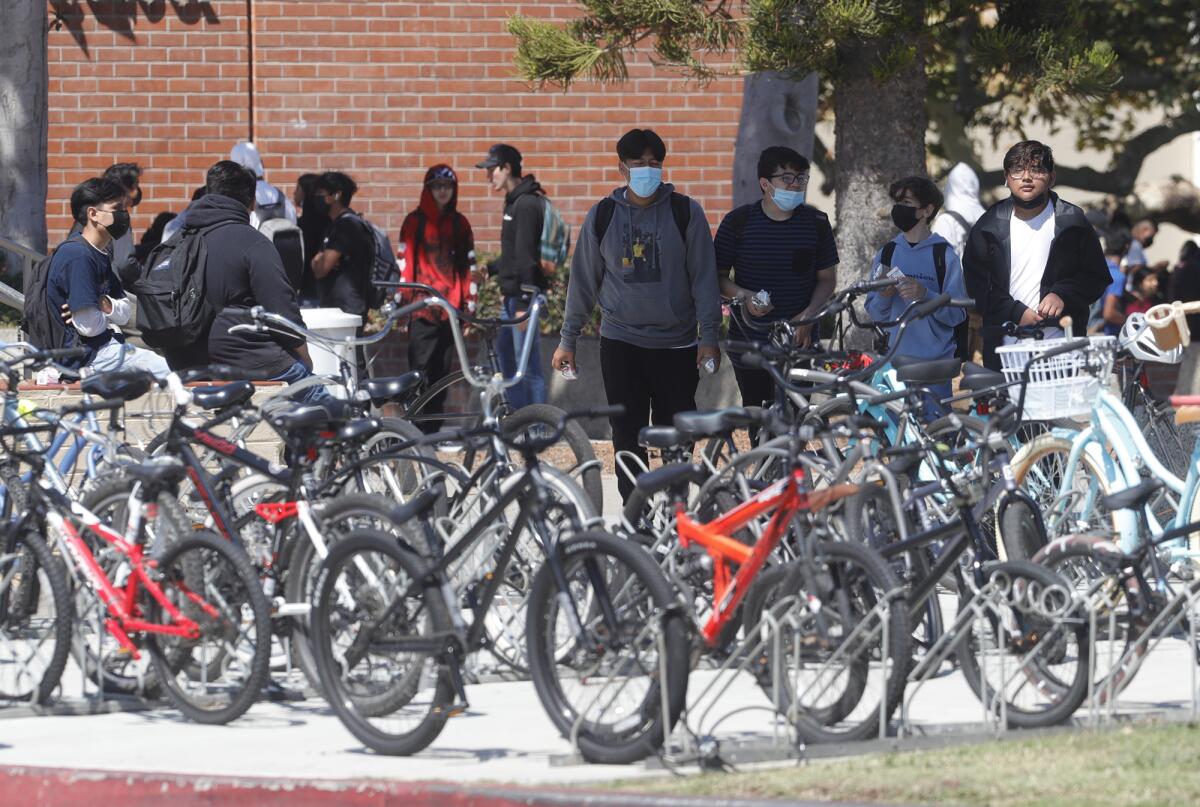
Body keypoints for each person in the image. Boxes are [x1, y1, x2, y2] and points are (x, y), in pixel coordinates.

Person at [553, 128, 722, 503]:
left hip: (677, 344)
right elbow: (582, 282)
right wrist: (568, 340)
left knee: (677, 433)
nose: (647, 170)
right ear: (621, 168)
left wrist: (709, 336)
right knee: (626, 434)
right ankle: (636, 515)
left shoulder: (685, 212)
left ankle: (676, 509)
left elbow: (705, 279)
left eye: (654, 163)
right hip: (621, 344)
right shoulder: (602, 216)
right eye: (638, 163)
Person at [963, 140, 1110, 369]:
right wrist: (1015, 311)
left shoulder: (1073, 221)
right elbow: (976, 284)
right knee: (1006, 405)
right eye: (1017, 170)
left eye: (1037, 169)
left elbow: (1096, 277)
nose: (1026, 177)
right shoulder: (988, 225)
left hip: (1061, 348)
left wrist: (1062, 294)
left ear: (1052, 178)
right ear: (1007, 177)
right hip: (1004, 348)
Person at [715, 146, 838, 410]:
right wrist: (745, 297)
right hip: (750, 342)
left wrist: (809, 316)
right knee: (759, 420)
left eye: (801, 178)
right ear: (765, 183)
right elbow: (718, 278)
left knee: (797, 421)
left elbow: (827, 278)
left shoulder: (816, 222)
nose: (795, 185)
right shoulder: (738, 222)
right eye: (786, 178)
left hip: (799, 340)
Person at [188, 160, 319, 398]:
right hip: (250, 360)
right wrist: (305, 358)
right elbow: (282, 313)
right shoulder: (253, 243)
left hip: (187, 362)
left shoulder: (180, 239)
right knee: (326, 408)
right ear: (251, 203)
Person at [47, 177, 170, 377]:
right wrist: (108, 316)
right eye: (117, 209)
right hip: (88, 357)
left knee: (170, 370)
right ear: (93, 214)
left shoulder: (99, 252)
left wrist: (104, 305)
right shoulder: (78, 256)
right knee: (171, 373)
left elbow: (123, 312)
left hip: (105, 349)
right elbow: (88, 327)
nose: (124, 215)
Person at [866, 176, 967, 410]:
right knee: (894, 439)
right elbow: (874, 314)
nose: (899, 209)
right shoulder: (887, 254)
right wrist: (884, 294)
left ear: (926, 210)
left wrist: (926, 295)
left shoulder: (943, 255)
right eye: (897, 202)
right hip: (893, 368)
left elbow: (958, 313)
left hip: (933, 369)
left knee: (936, 439)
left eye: (907, 203)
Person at [398, 164, 477, 432]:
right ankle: (412, 429)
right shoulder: (414, 222)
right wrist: (403, 307)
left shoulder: (460, 223)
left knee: (442, 375)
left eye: (447, 186)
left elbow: (469, 269)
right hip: (422, 309)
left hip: (450, 310)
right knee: (418, 374)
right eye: (437, 186)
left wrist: (469, 309)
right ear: (428, 189)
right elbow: (405, 265)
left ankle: (432, 432)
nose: (442, 191)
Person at [475, 143, 548, 409]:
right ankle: (518, 421)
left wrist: (521, 305)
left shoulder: (526, 204)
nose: (488, 176)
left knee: (528, 366)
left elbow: (527, 259)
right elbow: (514, 254)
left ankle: (539, 428)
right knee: (507, 359)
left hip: (522, 300)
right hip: (511, 299)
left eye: (492, 170)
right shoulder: (513, 201)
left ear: (506, 169)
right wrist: (491, 269)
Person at [310, 171, 373, 377]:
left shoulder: (347, 225)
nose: (318, 198)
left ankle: (359, 405)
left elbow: (321, 268)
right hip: (342, 304)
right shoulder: (339, 225)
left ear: (336, 195)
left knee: (350, 363)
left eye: (322, 193)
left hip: (347, 306)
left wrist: (321, 260)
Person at [933, 163, 986, 360]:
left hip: (956, 306)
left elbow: (938, 264)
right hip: (983, 303)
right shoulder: (985, 216)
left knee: (955, 370)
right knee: (980, 368)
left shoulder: (947, 221)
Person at [294, 172, 325, 305]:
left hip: (308, 289)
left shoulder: (304, 224)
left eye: (297, 189)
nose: (294, 193)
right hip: (323, 289)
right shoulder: (326, 220)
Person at [1100, 229, 1133, 336]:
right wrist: (1129, 322)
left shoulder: (1096, 268)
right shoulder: (1117, 276)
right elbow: (1109, 314)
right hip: (1105, 336)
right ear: (1127, 247)